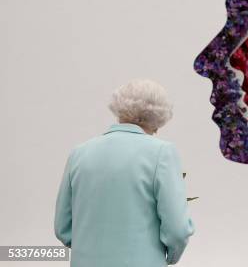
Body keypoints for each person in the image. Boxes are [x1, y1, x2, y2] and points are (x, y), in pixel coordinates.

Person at [54, 79, 195, 266]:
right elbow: (177, 229)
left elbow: (62, 227)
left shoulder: (79, 153)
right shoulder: (162, 153)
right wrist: (170, 257)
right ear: (159, 117)